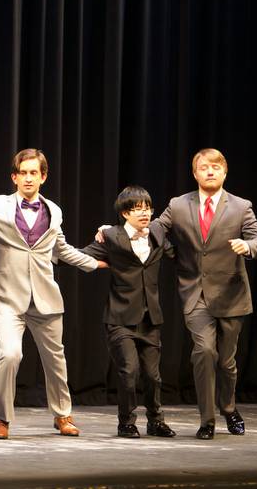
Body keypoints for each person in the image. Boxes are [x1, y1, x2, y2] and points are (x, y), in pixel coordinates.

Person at [0, 148, 104, 439]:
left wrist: (93, 263)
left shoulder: (54, 210)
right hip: (8, 298)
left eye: (34, 173)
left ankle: (62, 415)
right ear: (14, 177)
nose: (28, 178)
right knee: (10, 355)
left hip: (46, 298)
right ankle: (2, 419)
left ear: (43, 176)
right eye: (23, 173)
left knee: (56, 360)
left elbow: (61, 249)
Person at [148, 149, 257, 439]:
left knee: (226, 361)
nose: (210, 171)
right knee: (204, 351)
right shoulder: (178, 205)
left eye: (216, 167)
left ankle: (228, 407)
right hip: (195, 293)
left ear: (224, 172)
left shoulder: (240, 207)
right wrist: (119, 230)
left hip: (231, 294)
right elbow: (155, 228)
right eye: (204, 167)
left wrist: (248, 246)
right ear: (195, 173)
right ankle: (207, 419)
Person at [81, 186, 176, 438]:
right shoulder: (111, 236)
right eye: (138, 209)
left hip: (150, 319)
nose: (145, 213)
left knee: (153, 377)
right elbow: (80, 255)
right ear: (125, 212)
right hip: (120, 318)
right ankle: (126, 422)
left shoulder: (157, 231)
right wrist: (91, 262)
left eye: (148, 208)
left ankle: (156, 421)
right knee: (129, 372)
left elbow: (175, 253)